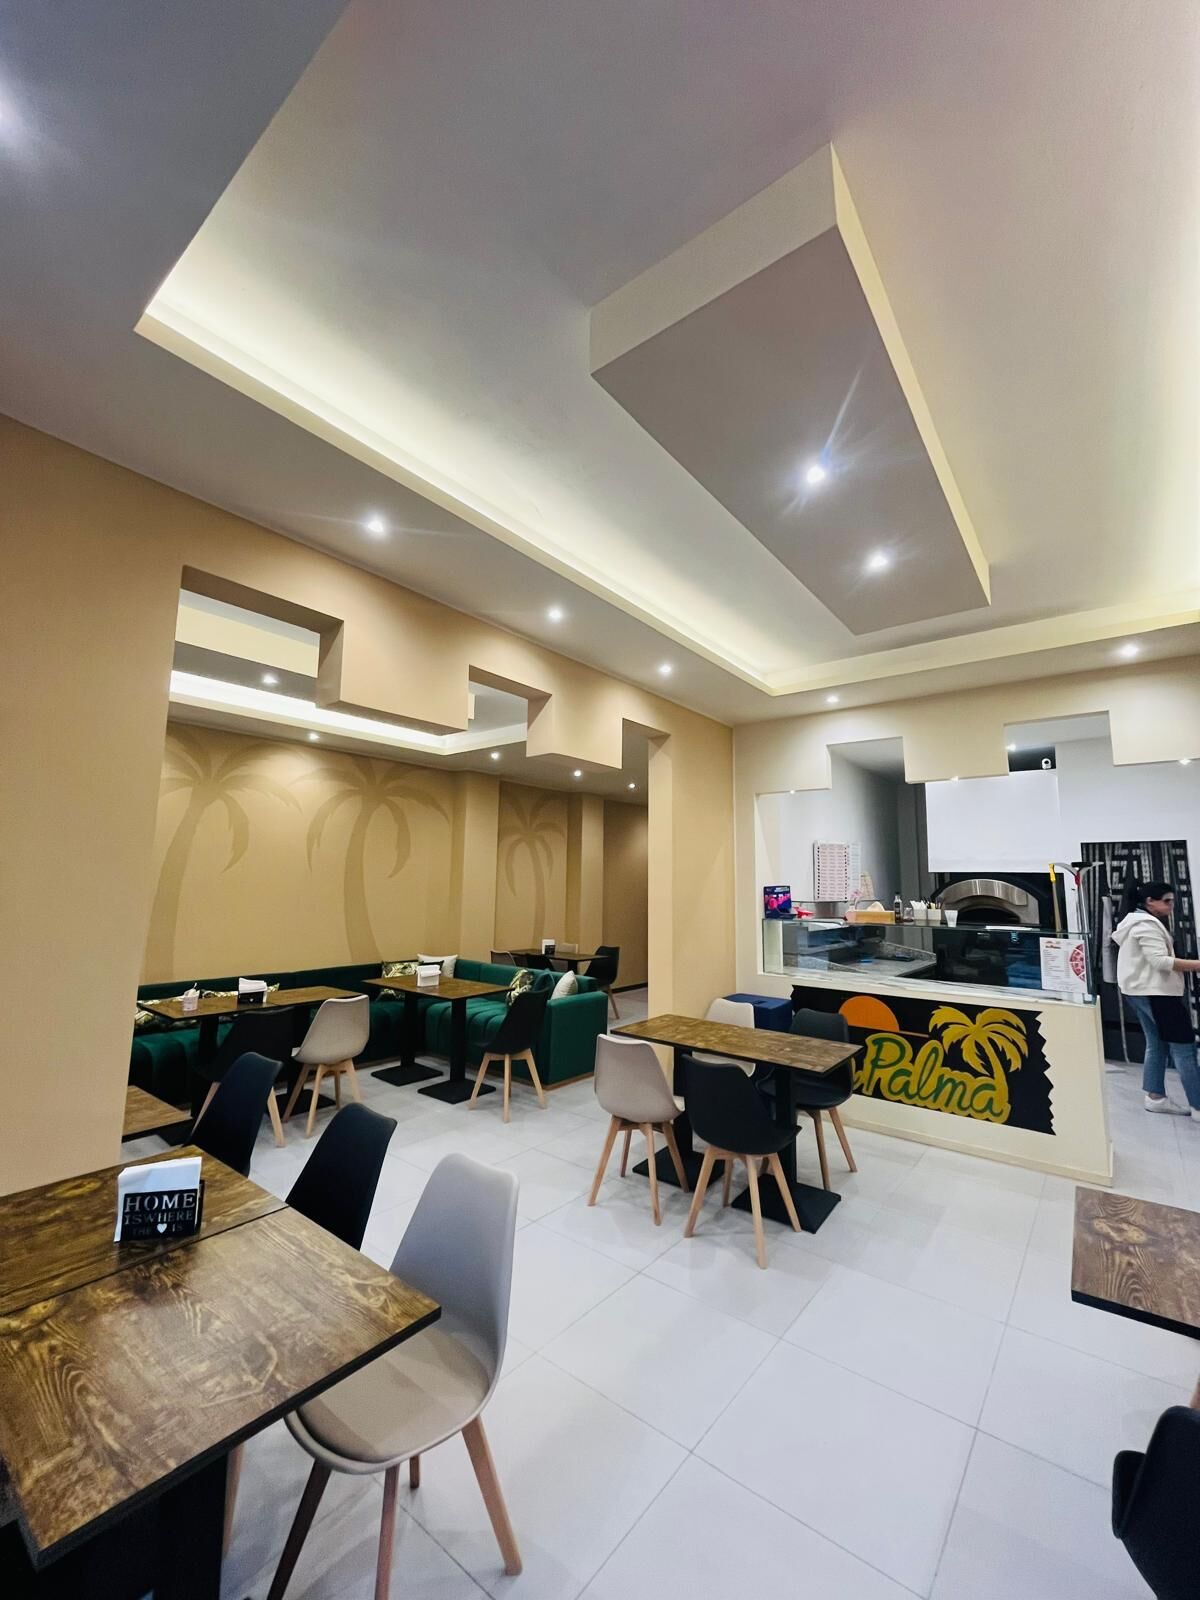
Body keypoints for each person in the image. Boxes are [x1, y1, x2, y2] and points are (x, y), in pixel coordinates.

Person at [1112, 881, 1200, 1115]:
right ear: (1150, 901)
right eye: (1167, 901)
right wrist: (1197, 965)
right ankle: (1197, 1105)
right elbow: (1160, 961)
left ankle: (1156, 1097)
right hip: (1157, 993)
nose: (1171, 906)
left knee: (1156, 1044)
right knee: (1184, 1048)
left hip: (1140, 991)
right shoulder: (1146, 925)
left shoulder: (1134, 923)